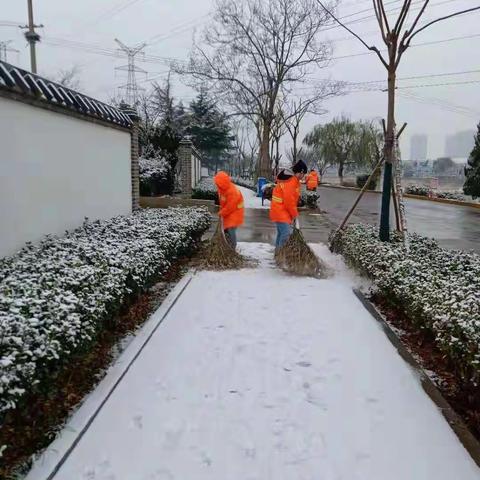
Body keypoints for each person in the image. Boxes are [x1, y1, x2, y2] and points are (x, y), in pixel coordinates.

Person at [269, 160, 308, 249]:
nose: (303, 176)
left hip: (280, 211)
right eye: (303, 174)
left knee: (281, 234)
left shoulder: (292, 180)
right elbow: (289, 202)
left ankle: (278, 255)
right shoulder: (291, 182)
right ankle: (280, 256)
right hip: (281, 211)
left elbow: (292, 198)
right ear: (300, 172)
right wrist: (294, 215)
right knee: (285, 235)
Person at [214, 171, 244, 249]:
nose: (217, 185)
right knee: (226, 230)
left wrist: (222, 212)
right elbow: (223, 202)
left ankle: (232, 247)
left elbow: (230, 206)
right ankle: (228, 246)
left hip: (235, 213)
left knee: (231, 230)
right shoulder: (222, 189)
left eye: (219, 183)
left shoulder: (232, 191)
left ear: (223, 182)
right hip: (229, 212)